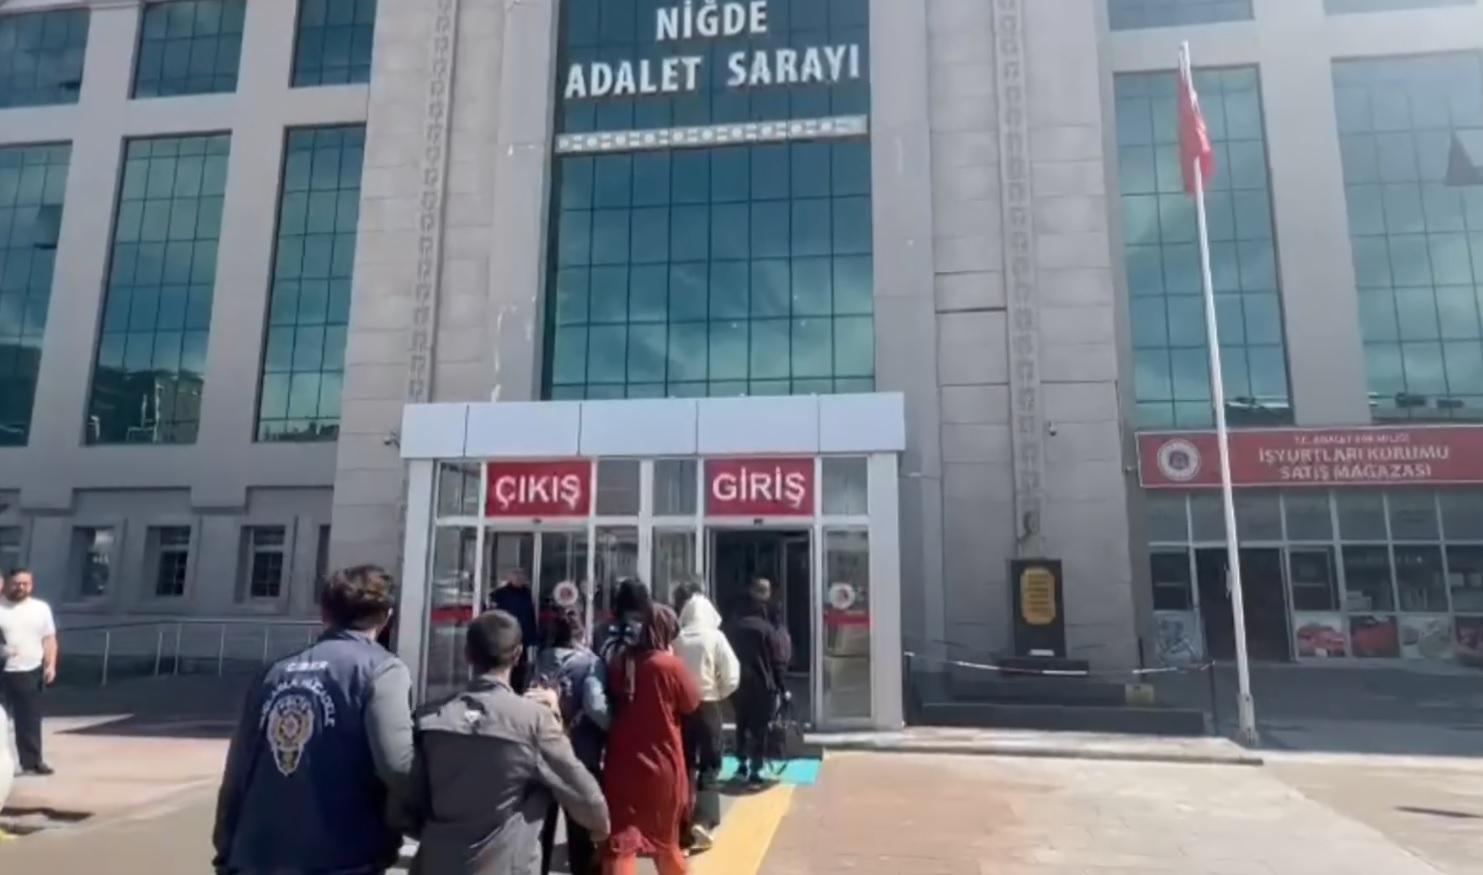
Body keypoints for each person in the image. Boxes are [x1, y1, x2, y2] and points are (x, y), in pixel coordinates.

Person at [213, 565, 414, 875]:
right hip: (341, 855)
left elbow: (238, 770)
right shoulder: (382, 670)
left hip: (257, 855)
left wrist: (226, 844)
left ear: (325, 614)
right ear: (386, 616)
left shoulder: (273, 672)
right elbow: (398, 765)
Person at [405, 609, 609, 875]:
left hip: (437, 861)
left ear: (467, 654)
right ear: (518, 655)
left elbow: (405, 795)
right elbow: (582, 791)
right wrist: (600, 828)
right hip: (506, 864)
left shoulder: (429, 718)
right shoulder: (534, 721)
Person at [602, 598, 700, 875]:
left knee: (623, 841)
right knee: (666, 843)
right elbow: (691, 702)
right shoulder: (670, 666)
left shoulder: (622, 662)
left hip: (622, 762)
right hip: (662, 761)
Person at [532, 604, 610, 875]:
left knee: (541, 830)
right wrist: (613, 729)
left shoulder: (543, 659)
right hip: (580, 752)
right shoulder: (591, 663)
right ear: (582, 632)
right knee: (581, 834)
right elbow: (595, 706)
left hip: (543, 754)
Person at [672, 584, 740, 852]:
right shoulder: (716, 638)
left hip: (681, 710)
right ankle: (703, 820)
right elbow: (732, 675)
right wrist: (718, 693)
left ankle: (682, 824)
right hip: (708, 706)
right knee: (711, 763)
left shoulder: (677, 640)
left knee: (685, 764)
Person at [723, 578, 788, 786]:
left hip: (739, 684)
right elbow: (777, 661)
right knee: (760, 729)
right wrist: (782, 688)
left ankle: (741, 765)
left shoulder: (733, 628)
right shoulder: (767, 629)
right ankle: (755, 771)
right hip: (762, 684)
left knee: (741, 724)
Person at [0, 568, 57, 776]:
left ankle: (32, 761)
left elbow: (49, 638)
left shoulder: (41, 609)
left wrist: (50, 665)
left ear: (31, 585)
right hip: (2, 670)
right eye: (17, 583)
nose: (21, 587)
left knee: (29, 719)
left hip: (30, 670)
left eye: (26, 584)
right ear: (7, 584)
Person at [490, 569, 540, 691]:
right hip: (505, 636)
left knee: (520, 667)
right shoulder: (500, 594)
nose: (519, 579)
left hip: (522, 637)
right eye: (516, 576)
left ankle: (517, 690)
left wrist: (532, 637)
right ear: (510, 578)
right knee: (504, 664)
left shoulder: (526, 594)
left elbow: (530, 616)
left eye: (521, 577)